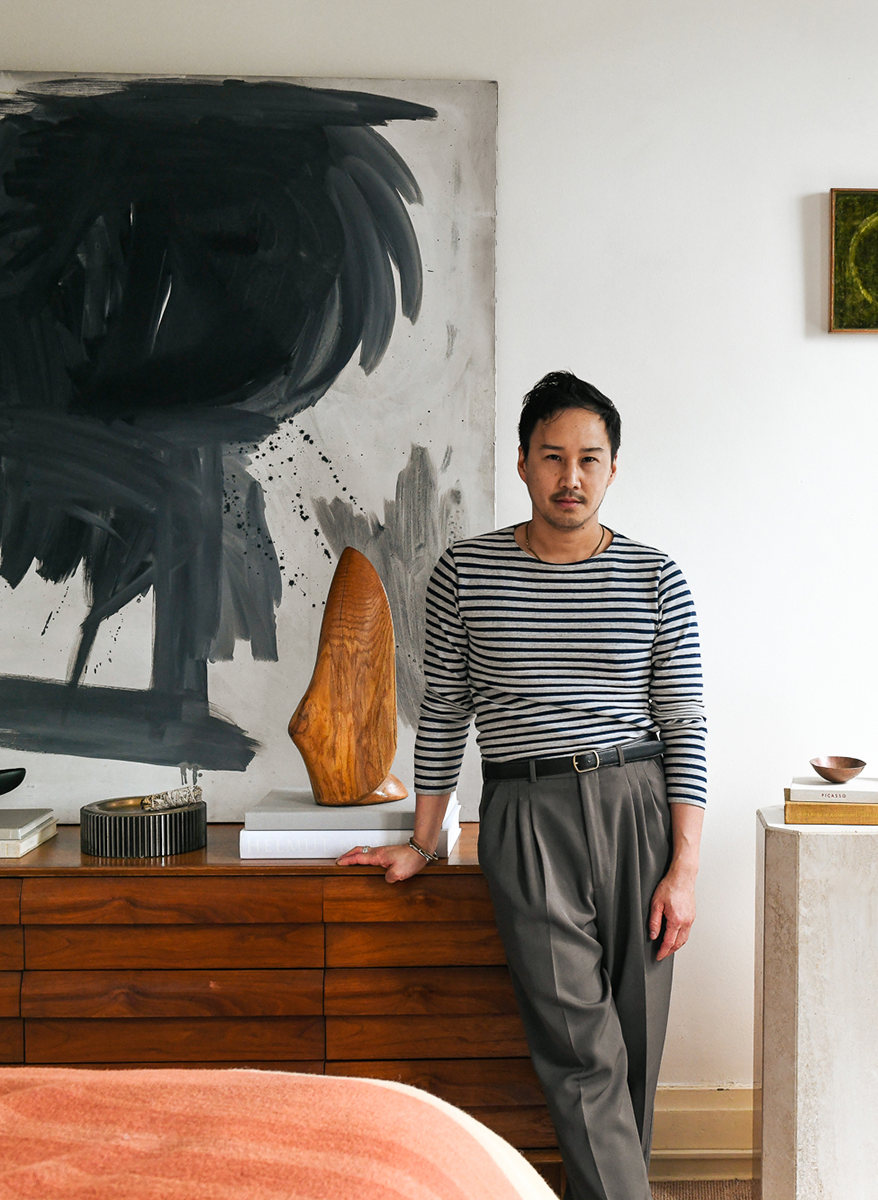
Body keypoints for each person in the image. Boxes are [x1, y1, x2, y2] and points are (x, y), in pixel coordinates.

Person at [337, 371, 705, 1200]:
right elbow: (444, 713)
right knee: (582, 1052)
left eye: (588, 458)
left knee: (634, 1056)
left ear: (612, 469)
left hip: (639, 809)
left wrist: (683, 869)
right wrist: (422, 843)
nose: (570, 477)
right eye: (553, 457)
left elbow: (684, 723)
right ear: (522, 464)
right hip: (526, 813)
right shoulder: (466, 572)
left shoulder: (657, 578)